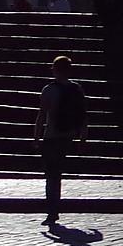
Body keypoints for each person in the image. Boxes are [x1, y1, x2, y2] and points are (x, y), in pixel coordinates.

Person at [33, 54, 89, 227]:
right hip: (68, 136)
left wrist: (36, 136)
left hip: (51, 136)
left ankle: (52, 211)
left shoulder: (49, 89)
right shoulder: (76, 89)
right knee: (57, 173)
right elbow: (83, 115)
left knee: (52, 175)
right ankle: (53, 208)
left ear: (55, 70)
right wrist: (82, 137)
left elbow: (42, 115)